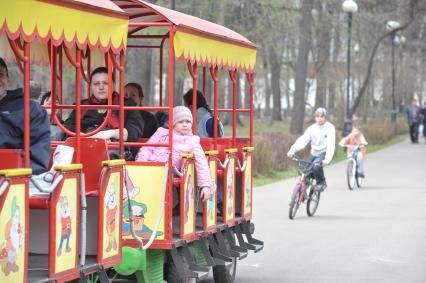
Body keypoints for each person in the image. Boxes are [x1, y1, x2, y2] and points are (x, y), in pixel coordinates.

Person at [136, 106, 214, 201]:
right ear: (173, 123)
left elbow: (201, 163)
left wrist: (205, 185)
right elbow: (148, 147)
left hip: (168, 170)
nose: (185, 125)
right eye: (181, 122)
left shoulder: (192, 141)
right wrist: (141, 160)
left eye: (188, 122)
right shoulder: (161, 132)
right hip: (150, 165)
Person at [64, 67, 144, 156]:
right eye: (96, 84)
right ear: (91, 87)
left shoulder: (127, 104)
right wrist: (87, 137)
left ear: (113, 85)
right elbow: (69, 126)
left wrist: (109, 134)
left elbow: (134, 130)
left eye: (105, 83)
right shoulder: (81, 105)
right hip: (84, 150)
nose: (101, 87)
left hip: (117, 153)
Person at [0, 58, 51, 175]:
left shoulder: (31, 109)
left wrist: (14, 172)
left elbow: (38, 155)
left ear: (7, 79)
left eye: (0, 74)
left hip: (13, 176)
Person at [287, 107, 336, 192]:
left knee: (316, 166)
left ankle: (321, 183)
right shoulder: (312, 128)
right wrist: (292, 150)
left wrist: (327, 159)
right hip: (313, 153)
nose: (319, 119)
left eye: (321, 116)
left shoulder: (330, 128)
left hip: (323, 152)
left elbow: (331, 144)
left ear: (325, 118)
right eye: (317, 116)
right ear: (315, 118)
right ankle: (301, 193)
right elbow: (303, 140)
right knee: (306, 173)